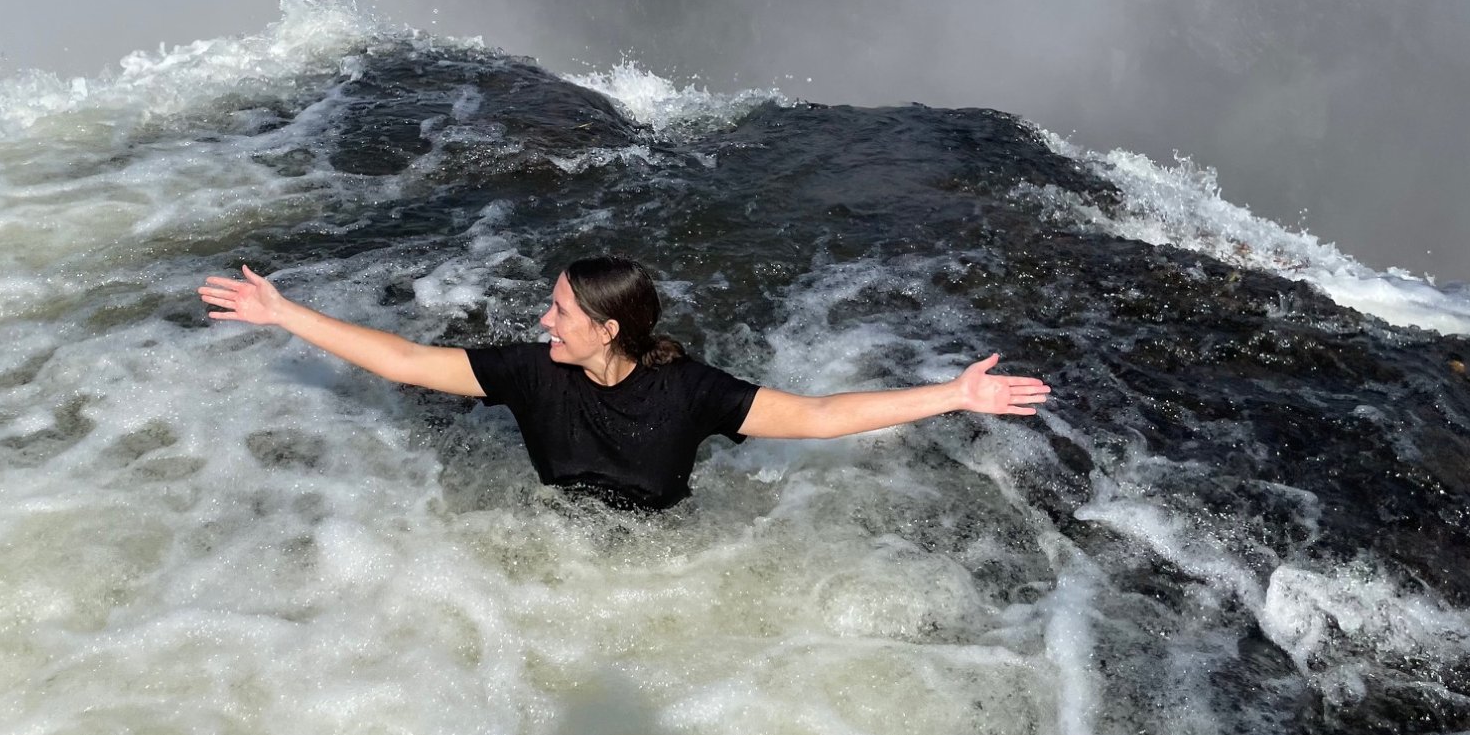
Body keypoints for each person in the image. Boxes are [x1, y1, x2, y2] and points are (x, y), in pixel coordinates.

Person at [198, 254, 1052, 510]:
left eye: (560, 310)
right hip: (556, 535)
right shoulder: (530, 372)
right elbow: (406, 360)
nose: (544, 320)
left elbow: (822, 414)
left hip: (660, 552)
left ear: (609, 329)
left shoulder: (690, 389)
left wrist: (955, 394)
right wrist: (285, 312)